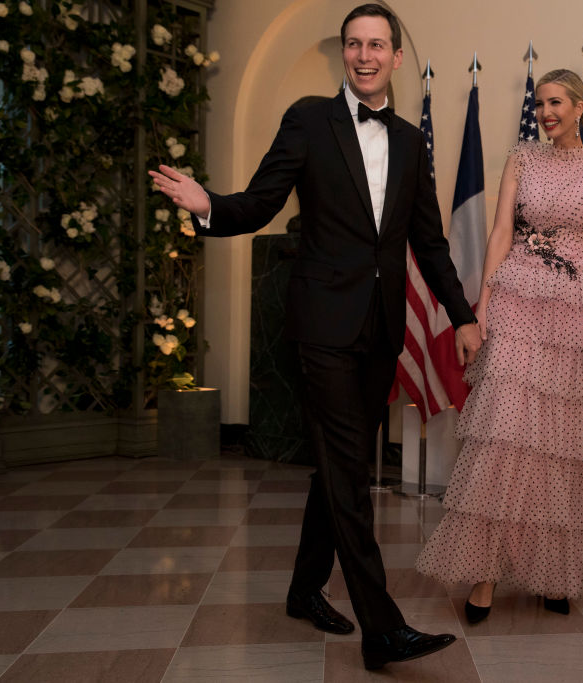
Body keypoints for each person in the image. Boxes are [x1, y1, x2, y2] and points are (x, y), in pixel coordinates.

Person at [149, 3, 481, 670]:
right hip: (322, 327)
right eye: (353, 44)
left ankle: (305, 588)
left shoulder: (414, 143)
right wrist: (209, 203)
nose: (364, 55)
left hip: (380, 327)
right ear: (345, 54)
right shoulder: (307, 118)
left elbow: (427, 240)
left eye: (376, 44)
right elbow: (261, 200)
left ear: (394, 56)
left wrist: (463, 313)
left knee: (338, 463)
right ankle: (382, 626)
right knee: (350, 472)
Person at [415, 68, 583, 620]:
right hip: (514, 303)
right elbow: (501, 234)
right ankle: (485, 577)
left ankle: (551, 572)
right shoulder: (521, 157)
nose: (545, 113)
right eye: (539, 105)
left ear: (580, 107)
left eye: (555, 103)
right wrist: (481, 310)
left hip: (577, 309)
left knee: (557, 445)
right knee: (503, 438)